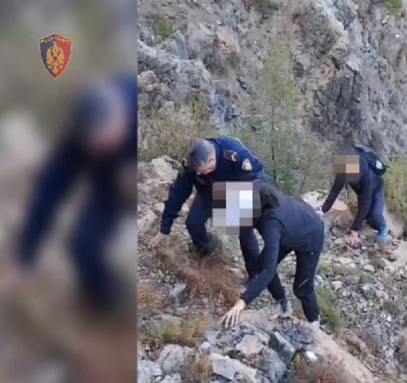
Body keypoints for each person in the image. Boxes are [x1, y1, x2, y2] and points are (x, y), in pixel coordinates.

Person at [3, 74, 138, 313]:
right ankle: (111, 303)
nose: (106, 147)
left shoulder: (137, 98)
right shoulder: (75, 140)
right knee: (82, 247)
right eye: (98, 145)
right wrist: (25, 257)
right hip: (107, 187)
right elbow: (48, 193)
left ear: (119, 115)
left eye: (110, 136)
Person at [150, 138, 267, 281]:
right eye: (198, 172)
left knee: (244, 232)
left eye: (204, 171)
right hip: (208, 193)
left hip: (235, 193)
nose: (200, 174)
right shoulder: (191, 165)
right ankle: (208, 251)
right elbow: (178, 193)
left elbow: (258, 179)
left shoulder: (235, 154)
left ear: (212, 160)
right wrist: (165, 229)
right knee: (193, 223)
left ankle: (255, 275)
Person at [221, 181, 324, 328]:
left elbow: (269, 271)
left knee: (301, 288)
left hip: (311, 235)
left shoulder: (271, 225)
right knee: (261, 264)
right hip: (289, 227)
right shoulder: (256, 193)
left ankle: (314, 323)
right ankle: (282, 304)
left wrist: (241, 303)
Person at [319, 145, 389, 248]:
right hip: (361, 190)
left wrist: (355, 230)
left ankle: (383, 228)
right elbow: (334, 192)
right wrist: (322, 211)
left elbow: (365, 202)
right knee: (365, 215)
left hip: (376, 188)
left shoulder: (367, 175)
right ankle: (365, 219)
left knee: (375, 217)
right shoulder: (343, 169)